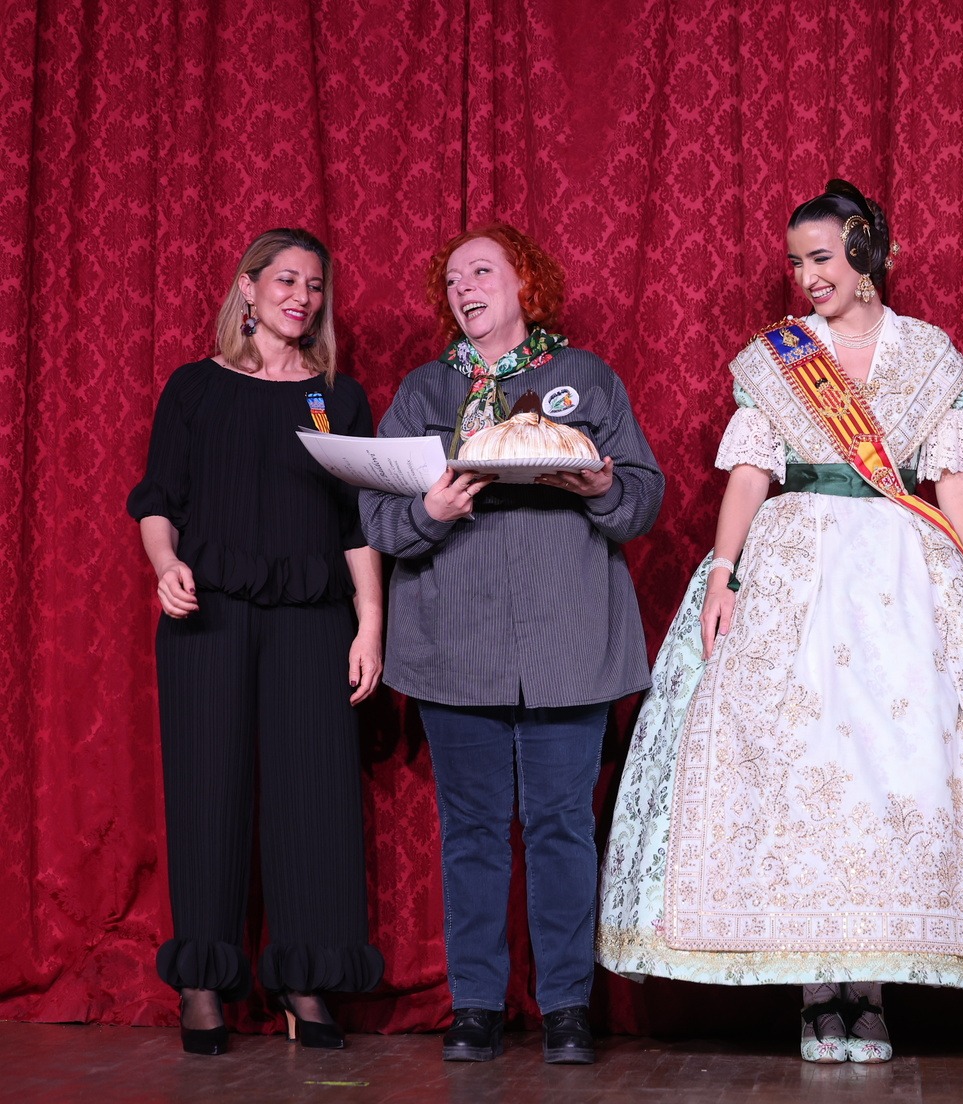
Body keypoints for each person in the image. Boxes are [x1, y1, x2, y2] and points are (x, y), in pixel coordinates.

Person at [597, 179, 963, 1065]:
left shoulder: (927, 355)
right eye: (796, 263)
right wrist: (724, 571)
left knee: (893, 778)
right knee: (804, 771)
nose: (806, 277)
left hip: (904, 572)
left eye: (820, 258)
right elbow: (750, 473)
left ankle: (872, 993)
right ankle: (819, 994)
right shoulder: (781, 356)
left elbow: (954, 485)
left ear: (865, 255)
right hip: (799, 570)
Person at [360, 222, 663, 1066]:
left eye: (482, 271)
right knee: (472, 831)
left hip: (569, 640)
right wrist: (430, 511)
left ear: (524, 283)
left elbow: (642, 501)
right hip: (455, 642)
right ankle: (476, 1007)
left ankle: (566, 1007)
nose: (465, 287)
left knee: (564, 826)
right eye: (453, 278)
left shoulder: (584, 377)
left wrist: (601, 484)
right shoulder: (424, 392)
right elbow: (378, 517)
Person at [128, 228, 385, 1055]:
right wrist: (165, 565)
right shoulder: (195, 388)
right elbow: (158, 498)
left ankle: (304, 981)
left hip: (313, 614)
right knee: (208, 788)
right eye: (286, 280)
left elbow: (357, 523)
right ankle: (203, 982)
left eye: (315, 285)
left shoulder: (337, 399)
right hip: (208, 612)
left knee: (313, 791)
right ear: (247, 287)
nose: (302, 297)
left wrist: (370, 624)